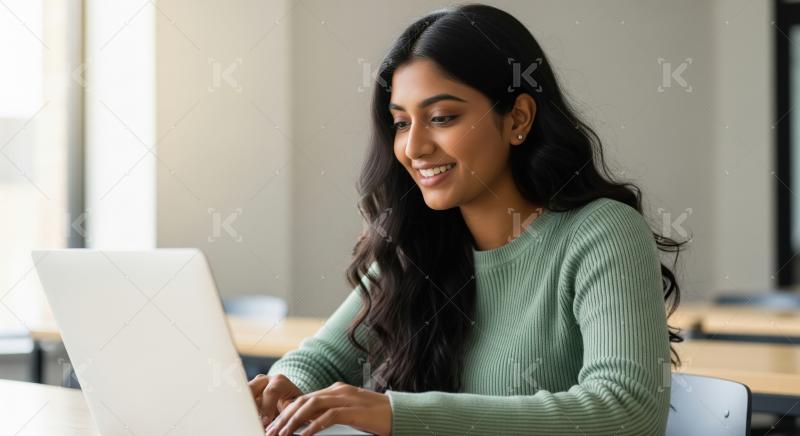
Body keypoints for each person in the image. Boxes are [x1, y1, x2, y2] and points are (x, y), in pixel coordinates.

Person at [251, 3, 686, 435]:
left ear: (517, 118)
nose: (415, 147)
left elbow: (629, 411)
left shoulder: (602, 234)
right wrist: (284, 386)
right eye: (401, 123)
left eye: (442, 118)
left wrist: (397, 414)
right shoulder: (418, 244)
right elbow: (323, 360)